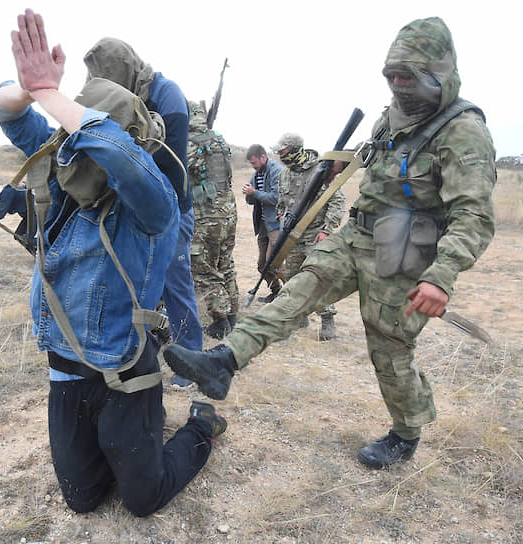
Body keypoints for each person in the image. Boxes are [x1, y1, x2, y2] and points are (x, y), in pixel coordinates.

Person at [163, 17, 496, 470]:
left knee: (390, 349)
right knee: (296, 294)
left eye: (408, 76)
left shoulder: (462, 129)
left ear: (438, 72)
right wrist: (339, 165)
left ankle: (405, 433)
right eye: (392, 76)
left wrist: (441, 277)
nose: (398, 85)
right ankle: (223, 361)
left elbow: (473, 215)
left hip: (404, 254)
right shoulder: (392, 115)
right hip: (357, 234)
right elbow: (375, 161)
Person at [0, 8, 226, 516]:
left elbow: (119, 156)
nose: (75, 151)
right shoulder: (60, 171)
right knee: (84, 501)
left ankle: (202, 423)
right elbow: (3, 109)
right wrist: (30, 90)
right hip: (66, 371)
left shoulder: (154, 202)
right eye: (71, 140)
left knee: (142, 500)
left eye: (83, 136)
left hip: (123, 374)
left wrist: (53, 97)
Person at [83, 37, 203, 388]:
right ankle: (138, 356)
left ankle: (190, 361)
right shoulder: (110, 92)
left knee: (175, 282)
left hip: (171, 210)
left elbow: (171, 167)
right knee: (133, 284)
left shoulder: (167, 96)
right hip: (130, 207)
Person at [273, 132, 345, 340]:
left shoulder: (321, 170)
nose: (280, 155)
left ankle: (327, 321)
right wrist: (281, 218)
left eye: (283, 151)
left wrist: (326, 230)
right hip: (293, 237)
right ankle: (298, 316)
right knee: (293, 278)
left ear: (295, 149)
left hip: (315, 235)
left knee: (318, 278)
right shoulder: (284, 174)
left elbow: (337, 201)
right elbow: (281, 202)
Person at [187, 100, 239, 340]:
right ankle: (233, 314)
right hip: (228, 210)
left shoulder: (190, 143)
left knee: (203, 268)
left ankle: (221, 320)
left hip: (208, 215)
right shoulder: (219, 140)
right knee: (225, 264)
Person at [242, 144, 284, 303]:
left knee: (274, 263)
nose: (253, 166)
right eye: (251, 164)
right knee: (262, 265)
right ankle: (277, 292)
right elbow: (251, 200)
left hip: (275, 223)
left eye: (254, 163)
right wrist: (249, 193)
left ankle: (294, 297)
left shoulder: (276, 171)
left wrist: (254, 193)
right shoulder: (257, 173)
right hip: (263, 225)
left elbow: (275, 198)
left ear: (263, 157)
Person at [0, 183, 35, 251]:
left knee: (29, 240)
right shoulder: (4, 192)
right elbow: (0, 210)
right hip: (28, 216)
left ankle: (43, 256)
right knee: (18, 236)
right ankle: (37, 255)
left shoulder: (6, 192)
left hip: (35, 213)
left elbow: (1, 214)